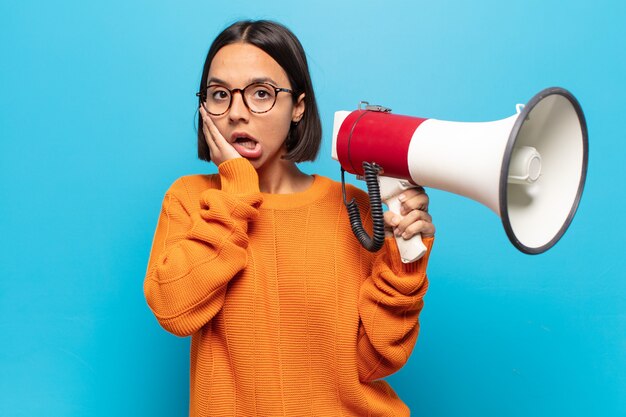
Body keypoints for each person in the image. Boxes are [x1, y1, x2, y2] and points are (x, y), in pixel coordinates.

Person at [144, 19, 435, 417]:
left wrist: (405, 261)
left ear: (298, 106)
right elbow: (173, 310)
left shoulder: (355, 209)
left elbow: (374, 362)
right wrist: (236, 194)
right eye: (219, 95)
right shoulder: (191, 199)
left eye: (261, 93)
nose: (236, 114)